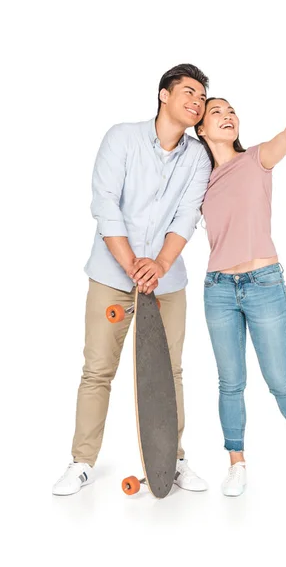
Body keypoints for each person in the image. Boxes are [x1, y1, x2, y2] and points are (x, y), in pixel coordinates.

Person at [52, 64, 211, 495]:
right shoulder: (121, 138)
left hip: (166, 281)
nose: (197, 102)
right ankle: (82, 461)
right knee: (98, 370)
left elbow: (187, 215)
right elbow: (105, 205)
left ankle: (173, 461)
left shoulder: (198, 157)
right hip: (110, 274)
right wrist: (133, 266)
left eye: (202, 97)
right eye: (189, 92)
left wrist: (158, 265)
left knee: (170, 371)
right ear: (164, 95)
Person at [195, 47, 286, 497]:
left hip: (264, 284)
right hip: (217, 289)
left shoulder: (256, 159)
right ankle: (236, 463)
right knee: (230, 382)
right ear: (201, 127)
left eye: (232, 111)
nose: (227, 115)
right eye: (217, 111)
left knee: (279, 378)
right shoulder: (196, 181)